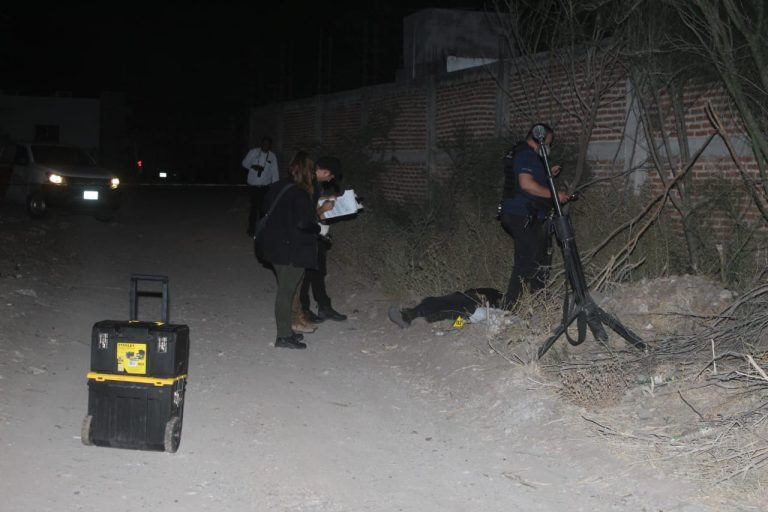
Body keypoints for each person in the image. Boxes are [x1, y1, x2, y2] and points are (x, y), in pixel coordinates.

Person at [259, 151, 326, 349]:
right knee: (286, 293)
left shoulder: (279, 187)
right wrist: (318, 230)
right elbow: (304, 223)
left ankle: (288, 330)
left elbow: (266, 208)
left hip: (274, 247)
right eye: (312, 171)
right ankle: (283, 336)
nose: (314, 174)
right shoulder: (301, 193)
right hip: (290, 251)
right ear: (307, 172)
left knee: (287, 290)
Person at [500, 123, 571, 309]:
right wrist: (556, 195)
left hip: (523, 213)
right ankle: (509, 308)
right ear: (539, 138)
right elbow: (527, 185)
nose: (550, 146)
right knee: (526, 260)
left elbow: (528, 180)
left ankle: (539, 300)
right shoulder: (527, 154)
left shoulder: (525, 154)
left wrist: (548, 173)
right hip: (522, 214)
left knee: (539, 255)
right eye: (549, 141)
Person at [299, 156, 348, 323]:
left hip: (316, 235)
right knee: (304, 274)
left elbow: (311, 207)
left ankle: (324, 307)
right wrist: (322, 209)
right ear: (325, 171)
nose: (331, 179)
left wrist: (327, 204)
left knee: (318, 271)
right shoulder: (305, 185)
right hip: (304, 236)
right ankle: (302, 309)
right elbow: (302, 218)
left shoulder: (316, 185)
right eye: (331, 175)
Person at [388, 288, 503, 328]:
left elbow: (487, 313)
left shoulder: (501, 296)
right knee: (434, 302)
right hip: (466, 300)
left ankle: (409, 316)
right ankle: (410, 315)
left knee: (451, 310)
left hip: (474, 307)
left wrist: (458, 326)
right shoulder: (495, 291)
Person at [242, 136, 279, 237]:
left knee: (263, 209)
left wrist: (275, 187)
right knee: (254, 208)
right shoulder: (253, 152)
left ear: (270, 145)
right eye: (264, 143)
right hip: (253, 186)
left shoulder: (272, 156)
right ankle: (251, 229)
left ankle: (261, 229)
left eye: (268, 144)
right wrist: (253, 165)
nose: (266, 145)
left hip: (265, 187)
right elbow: (244, 164)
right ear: (261, 144)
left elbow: (275, 172)